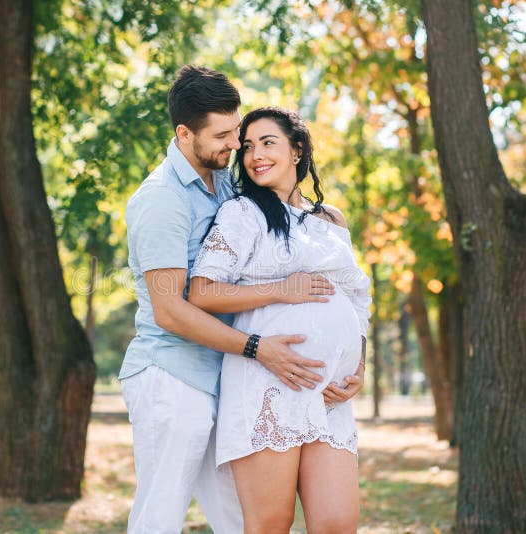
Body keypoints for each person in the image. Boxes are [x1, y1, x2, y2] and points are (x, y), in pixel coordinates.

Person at [120, 66, 364, 533]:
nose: (237, 147)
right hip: (173, 374)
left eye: (242, 135)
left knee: (239, 520)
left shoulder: (225, 186)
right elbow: (172, 308)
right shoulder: (161, 201)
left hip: (225, 376)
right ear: (184, 133)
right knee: (161, 515)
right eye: (227, 136)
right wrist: (257, 344)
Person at [188, 107, 371, 533]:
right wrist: (281, 290)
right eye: (248, 146)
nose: (254, 155)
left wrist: (359, 365)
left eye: (268, 143)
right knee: (271, 523)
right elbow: (202, 291)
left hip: (329, 396)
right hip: (267, 383)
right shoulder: (242, 214)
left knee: (337, 524)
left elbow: (358, 299)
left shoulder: (332, 220)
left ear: (297, 150)